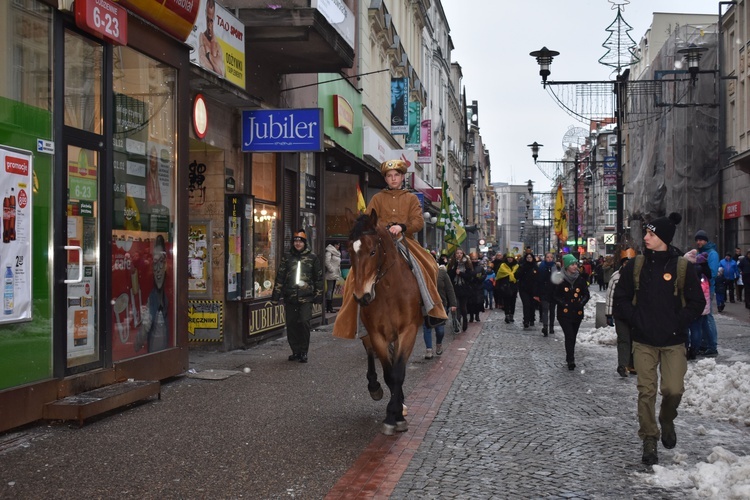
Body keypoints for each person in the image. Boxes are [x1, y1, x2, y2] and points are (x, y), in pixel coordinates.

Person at [613, 213, 705, 466]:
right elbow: (620, 299)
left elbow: (698, 302)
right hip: (643, 341)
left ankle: (666, 419)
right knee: (646, 392)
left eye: (651, 234)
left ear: (663, 238)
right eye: (647, 233)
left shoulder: (683, 267)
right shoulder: (636, 265)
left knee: (673, 390)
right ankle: (649, 439)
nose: (645, 238)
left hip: (673, 341)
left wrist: (678, 321)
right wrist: (636, 319)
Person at [333, 159, 447, 340]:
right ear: (385, 179)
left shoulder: (411, 198)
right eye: (389, 176)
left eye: (396, 175)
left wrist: (402, 227)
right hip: (379, 241)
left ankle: (430, 309)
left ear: (402, 177)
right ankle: (352, 319)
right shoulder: (377, 198)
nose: (393, 179)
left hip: (405, 240)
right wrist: (381, 228)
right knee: (355, 274)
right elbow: (367, 220)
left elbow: (418, 222)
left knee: (429, 265)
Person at [271, 230, 324, 363]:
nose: (298, 243)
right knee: (292, 324)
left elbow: (318, 278)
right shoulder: (287, 257)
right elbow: (280, 276)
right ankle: (295, 351)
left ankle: (304, 351)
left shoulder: (312, 257)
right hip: (290, 297)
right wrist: (275, 296)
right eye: (295, 241)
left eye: (300, 241)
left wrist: (318, 296)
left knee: (305, 323)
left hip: (306, 297)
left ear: (304, 243)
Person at [554, 254, 590, 371]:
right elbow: (554, 295)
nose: (575, 266)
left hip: (577, 313)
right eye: (573, 264)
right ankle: (571, 359)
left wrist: (581, 303)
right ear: (567, 266)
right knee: (569, 335)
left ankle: (569, 355)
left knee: (573, 336)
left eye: (576, 264)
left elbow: (586, 294)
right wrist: (563, 303)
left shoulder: (580, 279)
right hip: (564, 313)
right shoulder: (560, 279)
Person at [136, 235, 169, 353]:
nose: (158, 268)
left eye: (161, 262)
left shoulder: (170, 292)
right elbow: (146, 324)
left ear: (166, 264)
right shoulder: (152, 295)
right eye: (155, 263)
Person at [605, 248, 635, 377]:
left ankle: (633, 364)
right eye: (625, 262)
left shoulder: (640, 276)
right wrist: (609, 314)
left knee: (635, 339)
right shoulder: (616, 277)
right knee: (624, 339)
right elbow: (610, 296)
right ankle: (622, 365)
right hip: (621, 314)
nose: (627, 265)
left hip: (635, 314)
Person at [423, 257, 457, 359]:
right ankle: (429, 350)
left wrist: (453, 303)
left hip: (441, 305)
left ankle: (439, 344)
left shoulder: (442, 273)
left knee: (440, 330)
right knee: (427, 327)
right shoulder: (423, 274)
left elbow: (449, 289)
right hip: (427, 304)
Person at [694, 230, 720, 357]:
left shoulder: (712, 254)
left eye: (701, 240)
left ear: (706, 240)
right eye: (697, 240)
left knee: (708, 317)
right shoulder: (700, 253)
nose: (698, 242)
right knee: (703, 318)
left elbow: (713, 273)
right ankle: (704, 344)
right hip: (700, 289)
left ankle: (712, 345)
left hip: (708, 289)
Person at [447, 248, 473, 331]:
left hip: (464, 289)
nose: (459, 255)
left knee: (463, 307)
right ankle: (456, 324)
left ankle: (465, 321)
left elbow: (469, 277)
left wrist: (461, 273)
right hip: (455, 288)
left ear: (463, 254)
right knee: (456, 307)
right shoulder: (452, 263)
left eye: (460, 253)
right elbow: (449, 276)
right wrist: (455, 269)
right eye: (457, 253)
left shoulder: (467, 264)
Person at [534, 252, 559, 336]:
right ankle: (545, 327)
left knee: (552, 310)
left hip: (553, 291)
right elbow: (538, 280)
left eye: (551, 257)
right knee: (545, 309)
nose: (549, 259)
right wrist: (537, 293)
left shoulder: (555, 267)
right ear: (545, 258)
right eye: (547, 257)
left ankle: (551, 327)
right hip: (544, 291)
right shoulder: (541, 267)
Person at [198, 0, 225, 77]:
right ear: (205, 14)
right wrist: (214, 62)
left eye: (211, 21)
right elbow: (203, 63)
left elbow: (221, 72)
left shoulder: (217, 45)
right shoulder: (202, 37)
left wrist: (209, 56)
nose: (209, 25)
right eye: (208, 20)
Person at [515, 252, 538, 329]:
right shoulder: (522, 266)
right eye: (527, 258)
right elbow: (516, 275)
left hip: (533, 289)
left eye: (530, 257)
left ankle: (532, 318)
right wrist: (522, 270)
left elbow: (538, 277)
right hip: (524, 288)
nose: (529, 259)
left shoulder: (535, 266)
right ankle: (526, 320)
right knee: (526, 304)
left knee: (532, 304)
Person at [495, 253, 519, 324]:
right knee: (506, 301)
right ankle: (507, 315)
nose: (510, 259)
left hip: (513, 286)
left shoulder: (516, 266)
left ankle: (511, 314)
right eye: (508, 257)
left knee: (513, 301)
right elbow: (499, 276)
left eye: (511, 257)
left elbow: (518, 275)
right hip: (505, 286)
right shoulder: (503, 266)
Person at [466, 252, 486, 323]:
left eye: (475, 259)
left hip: (478, 287)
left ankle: (477, 315)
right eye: (473, 259)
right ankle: (471, 316)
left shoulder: (480, 267)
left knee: (478, 303)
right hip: (471, 287)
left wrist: (480, 278)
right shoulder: (468, 268)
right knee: (471, 303)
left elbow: (484, 275)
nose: (474, 260)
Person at [324, 241, 342, 313]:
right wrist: (331, 270)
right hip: (331, 273)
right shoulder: (329, 251)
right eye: (337, 245)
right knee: (330, 290)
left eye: (339, 245)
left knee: (331, 290)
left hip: (335, 273)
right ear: (334, 245)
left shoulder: (337, 252)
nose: (338, 246)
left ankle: (330, 306)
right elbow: (326, 261)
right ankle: (329, 307)